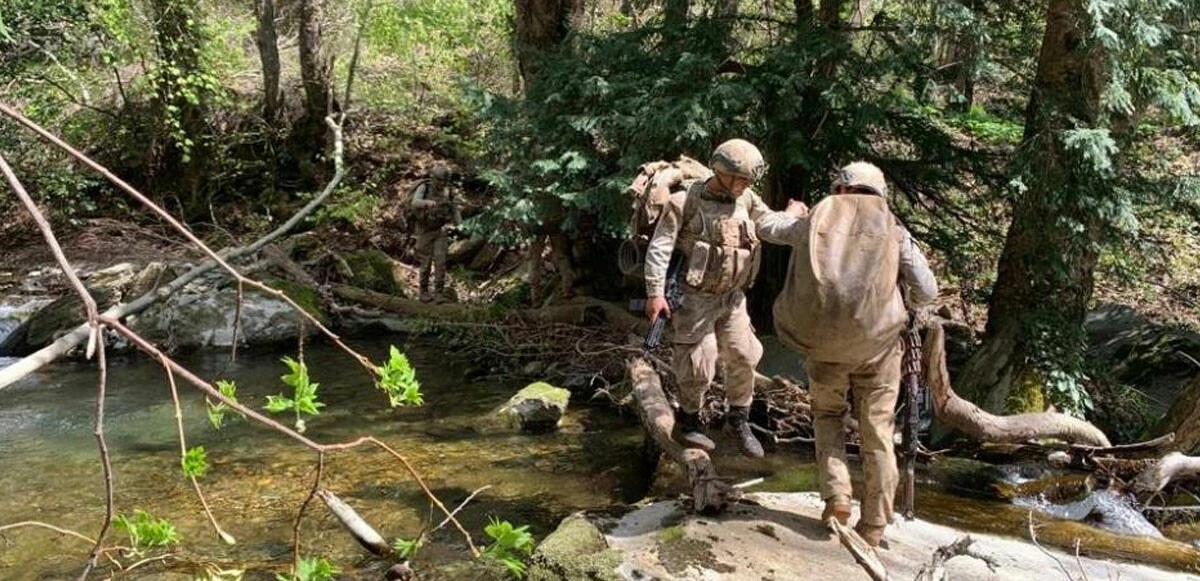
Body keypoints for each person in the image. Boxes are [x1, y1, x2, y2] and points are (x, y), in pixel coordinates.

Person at [756, 161, 938, 547]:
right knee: (878, 433)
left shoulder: (816, 219)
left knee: (827, 417)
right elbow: (927, 289)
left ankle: (837, 498)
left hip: (824, 348)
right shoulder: (894, 228)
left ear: (841, 187)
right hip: (879, 348)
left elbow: (767, 229)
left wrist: (789, 213)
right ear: (879, 192)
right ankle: (874, 524)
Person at [642, 138, 776, 458]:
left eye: (749, 181)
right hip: (694, 298)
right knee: (698, 362)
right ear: (721, 172)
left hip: (732, 298)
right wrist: (655, 293)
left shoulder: (748, 200)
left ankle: (739, 421)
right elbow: (660, 248)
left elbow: (771, 224)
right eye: (741, 178)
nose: (745, 185)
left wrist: (801, 223)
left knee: (744, 354)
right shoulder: (683, 201)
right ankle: (688, 421)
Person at [410, 163, 462, 302]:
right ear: (433, 178)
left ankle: (439, 293)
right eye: (439, 180)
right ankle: (423, 292)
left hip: (440, 230)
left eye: (444, 181)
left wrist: (461, 225)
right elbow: (415, 203)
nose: (442, 183)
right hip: (424, 230)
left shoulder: (449, 192)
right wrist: (427, 203)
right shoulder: (424, 187)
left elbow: (455, 209)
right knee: (425, 262)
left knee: (441, 261)